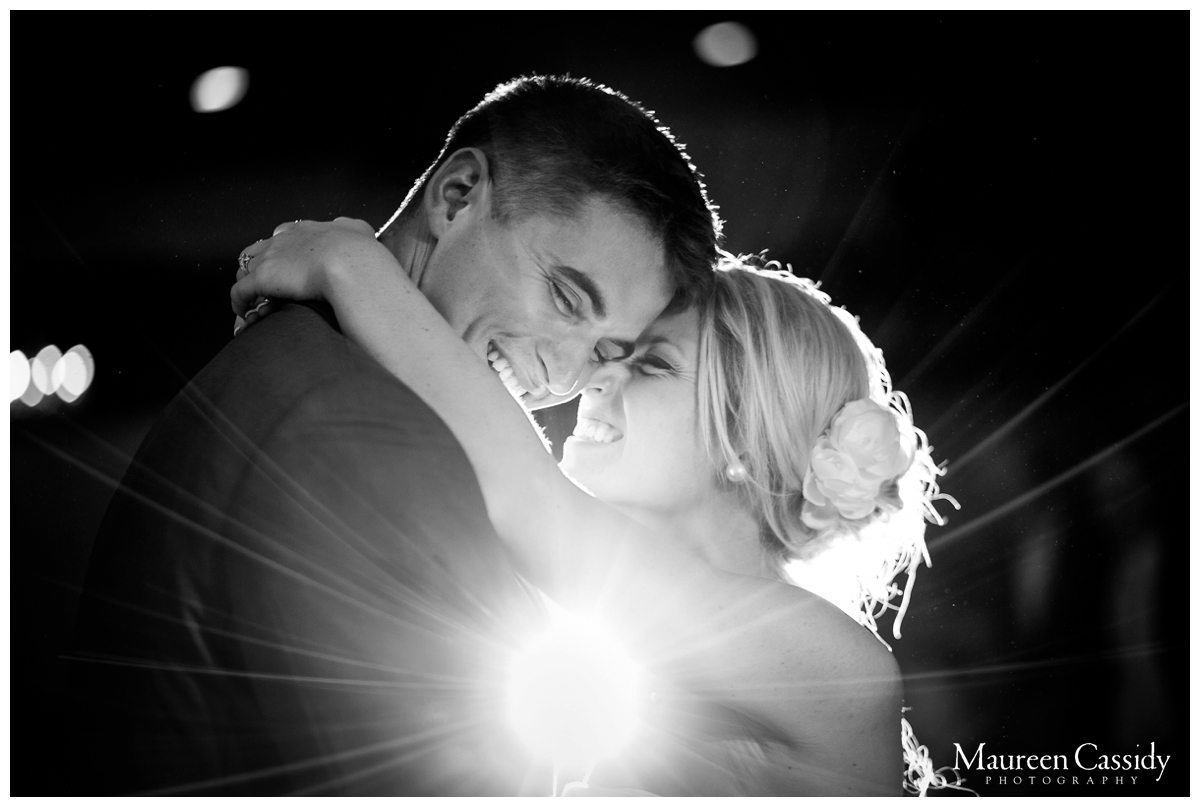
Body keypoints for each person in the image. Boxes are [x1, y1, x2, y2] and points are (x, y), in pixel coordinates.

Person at [66, 75, 721, 795]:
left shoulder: (322, 366)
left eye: (604, 353)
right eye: (565, 298)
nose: (561, 374)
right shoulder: (365, 437)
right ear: (458, 195)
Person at [231, 221, 955, 795]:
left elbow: (530, 498)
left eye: (650, 363)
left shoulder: (837, 666)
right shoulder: (610, 643)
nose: (594, 377)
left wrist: (348, 261)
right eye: (613, 350)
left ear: (744, 437)